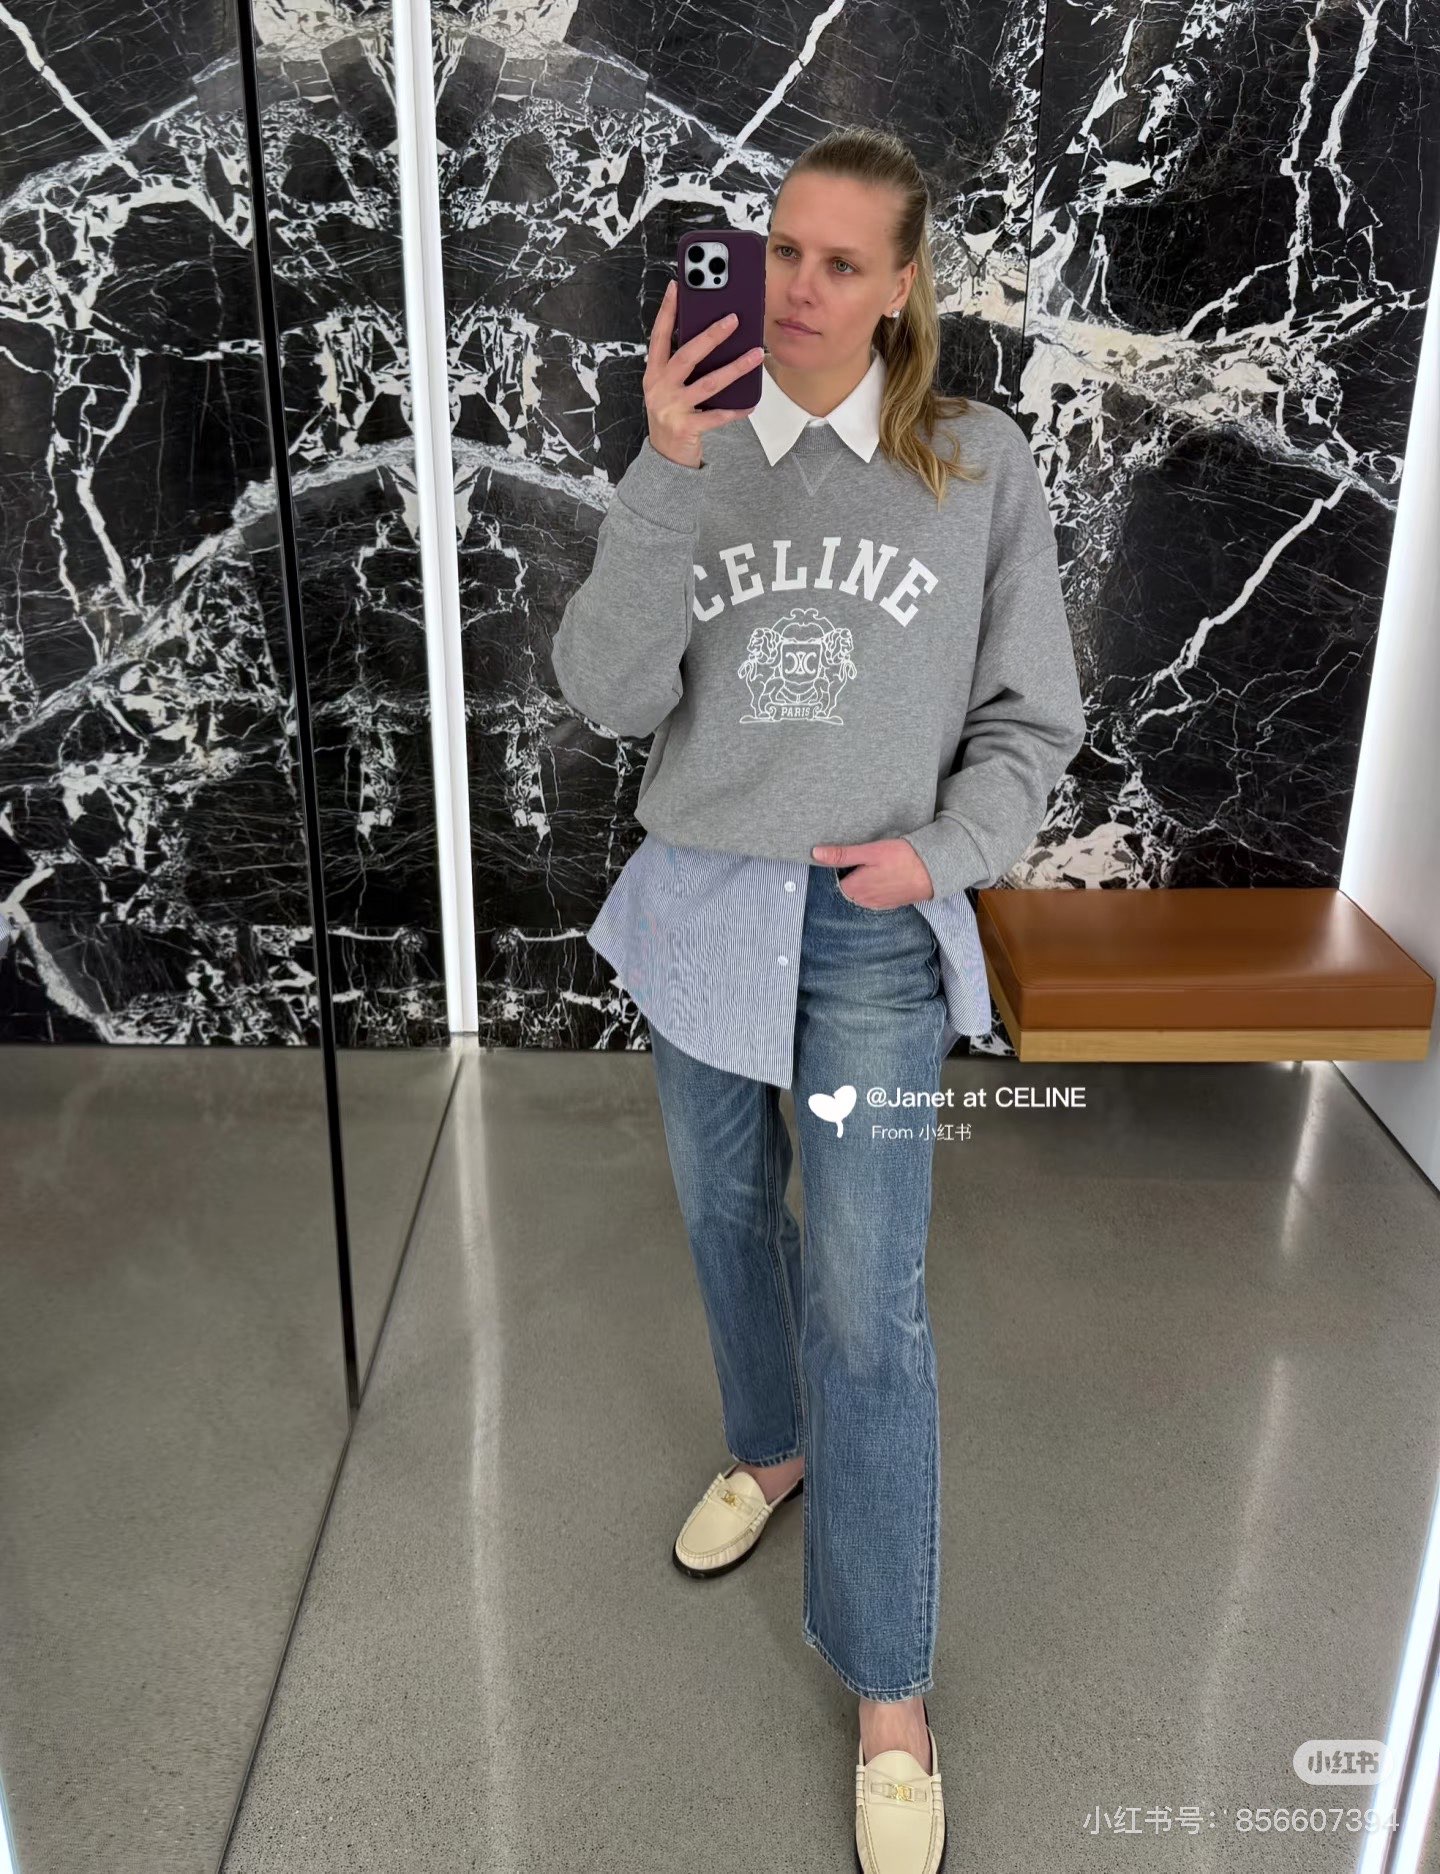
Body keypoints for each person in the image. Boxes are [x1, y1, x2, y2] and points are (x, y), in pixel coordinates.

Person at [551, 125, 1086, 1874]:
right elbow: (606, 692)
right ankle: (768, 1448)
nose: (797, 287)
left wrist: (941, 858)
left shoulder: (977, 465)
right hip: (704, 899)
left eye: (842, 263)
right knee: (724, 1215)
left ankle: (890, 1690)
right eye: (782, 249)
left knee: (870, 1296)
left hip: (866, 926)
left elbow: (1031, 718)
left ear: (904, 288)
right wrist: (662, 464)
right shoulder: (696, 444)